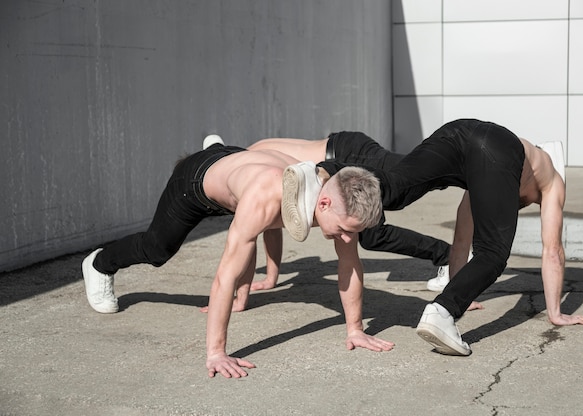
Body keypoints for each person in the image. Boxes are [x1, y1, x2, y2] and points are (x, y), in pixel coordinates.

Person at [81, 137, 394, 379]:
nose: (346, 239)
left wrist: (355, 329)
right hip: (196, 185)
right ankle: (99, 263)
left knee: (256, 223)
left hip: (236, 161)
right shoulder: (266, 197)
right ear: (323, 203)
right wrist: (216, 353)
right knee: (157, 250)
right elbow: (225, 276)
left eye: (351, 232)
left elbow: (347, 263)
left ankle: (215, 148)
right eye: (342, 231)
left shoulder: (332, 193)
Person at [302, 119, 583, 356]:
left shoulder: (489, 177)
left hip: (460, 132)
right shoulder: (553, 181)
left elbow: (462, 236)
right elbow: (552, 250)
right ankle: (441, 314)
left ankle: (322, 175)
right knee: (493, 252)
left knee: (396, 188)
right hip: (496, 146)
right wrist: (556, 313)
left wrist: (460, 290)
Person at [246, 132, 452, 296]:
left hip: (347, 156)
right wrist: (271, 278)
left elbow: (258, 227)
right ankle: (447, 254)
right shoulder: (253, 153)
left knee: (417, 176)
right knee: (374, 232)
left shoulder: (252, 165)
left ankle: (451, 255)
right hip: (342, 152)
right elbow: (271, 223)